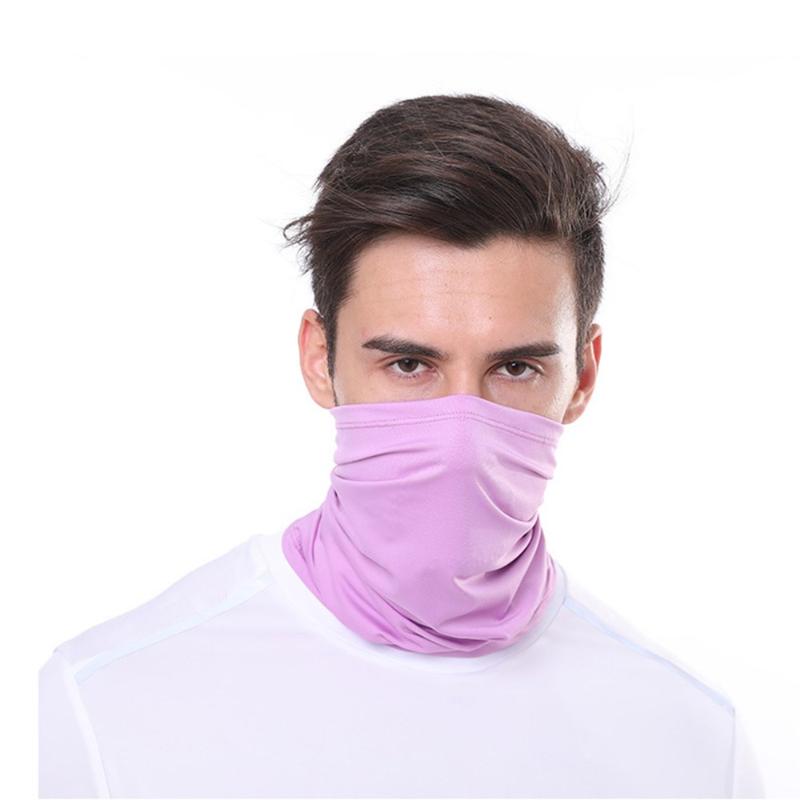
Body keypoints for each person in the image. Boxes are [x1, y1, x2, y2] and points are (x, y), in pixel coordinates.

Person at [38, 93, 765, 798]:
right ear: (319, 359)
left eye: (515, 368)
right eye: (410, 364)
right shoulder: (113, 703)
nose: (460, 437)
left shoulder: (689, 738)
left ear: (583, 376)